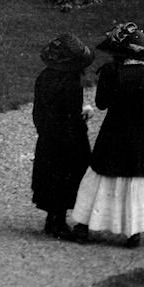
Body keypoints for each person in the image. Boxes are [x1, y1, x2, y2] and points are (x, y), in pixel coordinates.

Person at [68, 22, 144, 248]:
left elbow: (101, 104)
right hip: (139, 133)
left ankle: (84, 225)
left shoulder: (111, 71)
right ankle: (133, 230)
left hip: (113, 132)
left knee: (101, 178)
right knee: (133, 181)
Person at [31, 33, 95, 240]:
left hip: (48, 136)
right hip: (69, 138)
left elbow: (38, 110)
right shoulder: (71, 82)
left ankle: (52, 218)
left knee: (50, 176)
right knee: (67, 177)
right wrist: (83, 118)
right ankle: (59, 221)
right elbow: (71, 114)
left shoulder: (43, 76)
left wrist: (43, 130)